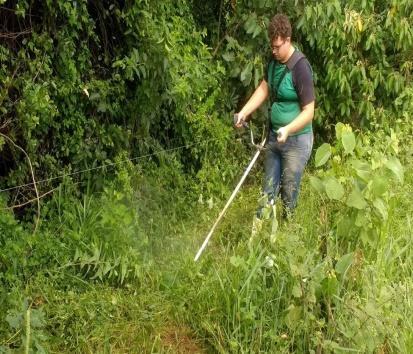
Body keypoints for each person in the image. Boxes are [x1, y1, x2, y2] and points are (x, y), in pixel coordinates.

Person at [235, 13, 315, 217]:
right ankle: (259, 237)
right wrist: (244, 112)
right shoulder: (272, 62)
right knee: (267, 190)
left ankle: (287, 232)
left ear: (288, 40)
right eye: (272, 46)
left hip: (297, 141)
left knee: (289, 193)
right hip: (275, 138)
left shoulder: (301, 68)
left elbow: (309, 112)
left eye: (278, 47)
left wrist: (288, 129)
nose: (274, 51)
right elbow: (264, 88)